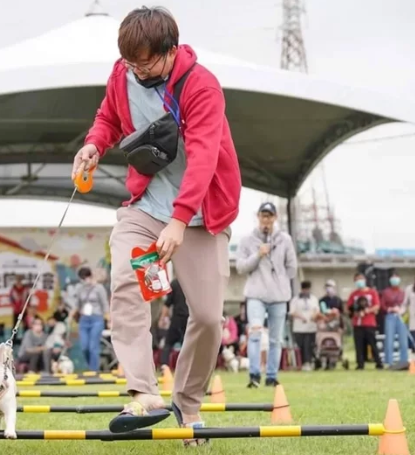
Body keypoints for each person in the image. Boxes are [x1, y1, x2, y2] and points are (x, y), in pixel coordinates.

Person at [71, 6, 241, 441]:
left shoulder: (201, 85)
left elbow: (203, 156)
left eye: (146, 62)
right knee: (130, 283)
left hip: (201, 217)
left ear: (170, 51)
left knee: (206, 317)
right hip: (145, 209)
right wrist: (94, 145)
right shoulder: (122, 74)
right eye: (131, 62)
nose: (138, 70)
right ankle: (144, 393)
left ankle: (187, 404)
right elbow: (108, 118)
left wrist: (181, 220)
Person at [236, 202, 298, 388]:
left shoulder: (285, 239)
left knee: (276, 338)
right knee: (255, 332)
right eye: (263, 215)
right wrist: (258, 255)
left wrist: (281, 280)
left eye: (270, 216)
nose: (266, 220)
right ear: (258, 217)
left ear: (275, 218)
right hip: (256, 293)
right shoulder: (247, 240)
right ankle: (254, 375)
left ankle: (272, 375)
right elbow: (240, 267)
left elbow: (292, 267)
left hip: (279, 296)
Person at [72, 267, 109, 372]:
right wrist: (72, 315)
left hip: (96, 319)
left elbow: (105, 304)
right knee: (84, 347)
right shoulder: (80, 289)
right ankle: (90, 366)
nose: (85, 279)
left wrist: (108, 318)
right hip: (84, 320)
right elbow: (77, 305)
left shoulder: (99, 288)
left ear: (90, 276)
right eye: (82, 278)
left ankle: (94, 370)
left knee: (93, 346)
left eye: (86, 277)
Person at [346, 273, 384, 370]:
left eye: (361, 279)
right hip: (357, 323)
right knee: (359, 345)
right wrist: (354, 313)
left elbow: (377, 306)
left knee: (372, 344)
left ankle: (378, 363)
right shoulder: (353, 294)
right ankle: (360, 364)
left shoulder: (372, 292)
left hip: (369, 323)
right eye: (357, 279)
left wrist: (367, 311)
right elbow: (348, 308)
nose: (360, 281)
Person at [288, 281, 320, 371]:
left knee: (309, 345)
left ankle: (308, 362)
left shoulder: (313, 299)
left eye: (308, 289)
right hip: (299, 327)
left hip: (311, 327)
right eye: (304, 289)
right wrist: (302, 317)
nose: (306, 291)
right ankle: (300, 362)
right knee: (300, 345)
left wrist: (313, 316)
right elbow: (292, 312)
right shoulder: (295, 299)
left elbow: (317, 310)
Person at [380, 272, 409, 368]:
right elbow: (382, 305)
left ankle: (404, 361)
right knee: (389, 339)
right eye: (393, 278)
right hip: (390, 316)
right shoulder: (386, 292)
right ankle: (389, 362)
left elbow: (407, 303)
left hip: (401, 316)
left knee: (403, 340)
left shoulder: (403, 292)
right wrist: (390, 309)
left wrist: (402, 310)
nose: (395, 280)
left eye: (396, 278)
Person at [158, 278, 188, 368]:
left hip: (177, 318)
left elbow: (167, 303)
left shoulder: (175, 283)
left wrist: (162, 318)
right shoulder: (194, 282)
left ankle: (164, 365)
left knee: (168, 343)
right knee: (188, 344)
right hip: (190, 319)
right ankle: (187, 367)